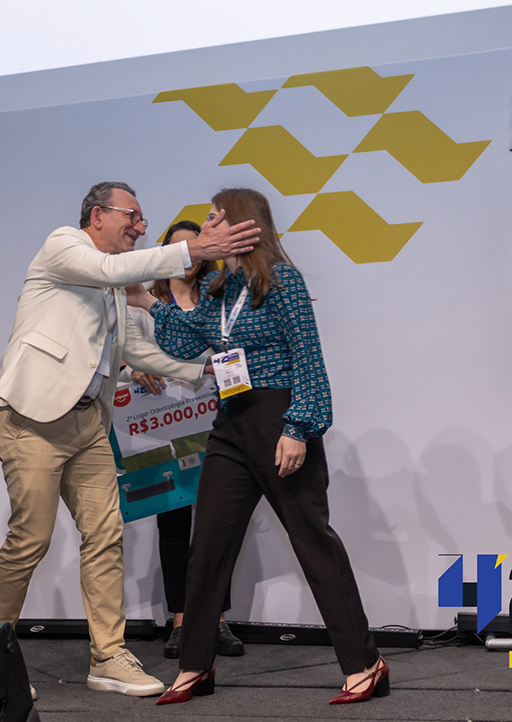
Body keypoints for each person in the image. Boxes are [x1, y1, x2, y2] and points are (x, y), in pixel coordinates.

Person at [0, 182, 260, 697]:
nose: (139, 226)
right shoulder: (64, 245)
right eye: (131, 216)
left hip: (89, 426)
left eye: (141, 219)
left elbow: (134, 349)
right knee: (30, 541)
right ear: (97, 215)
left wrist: (200, 370)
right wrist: (194, 249)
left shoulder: (111, 283)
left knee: (106, 535)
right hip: (33, 421)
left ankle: (108, 656)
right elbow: (110, 270)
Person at [128, 188, 386, 707]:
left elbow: (308, 357)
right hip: (231, 421)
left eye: (214, 218)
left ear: (243, 225)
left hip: (279, 418)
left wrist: (299, 428)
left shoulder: (282, 281)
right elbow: (185, 342)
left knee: (312, 541)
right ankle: (195, 665)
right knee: (208, 545)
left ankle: (365, 664)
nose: (207, 227)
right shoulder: (219, 288)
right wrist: (151, 300)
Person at [125, 220, 244, 660]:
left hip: (216, 425)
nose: (188, 256)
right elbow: (122, 357)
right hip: (161, 431)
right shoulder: (140, 303)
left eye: (194, 248)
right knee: (173, 526)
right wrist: (133, 369)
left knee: (218, 525)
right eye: (178, 248)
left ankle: (216, 618)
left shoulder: (221, 302)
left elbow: (235, 359)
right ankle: (180, 621)